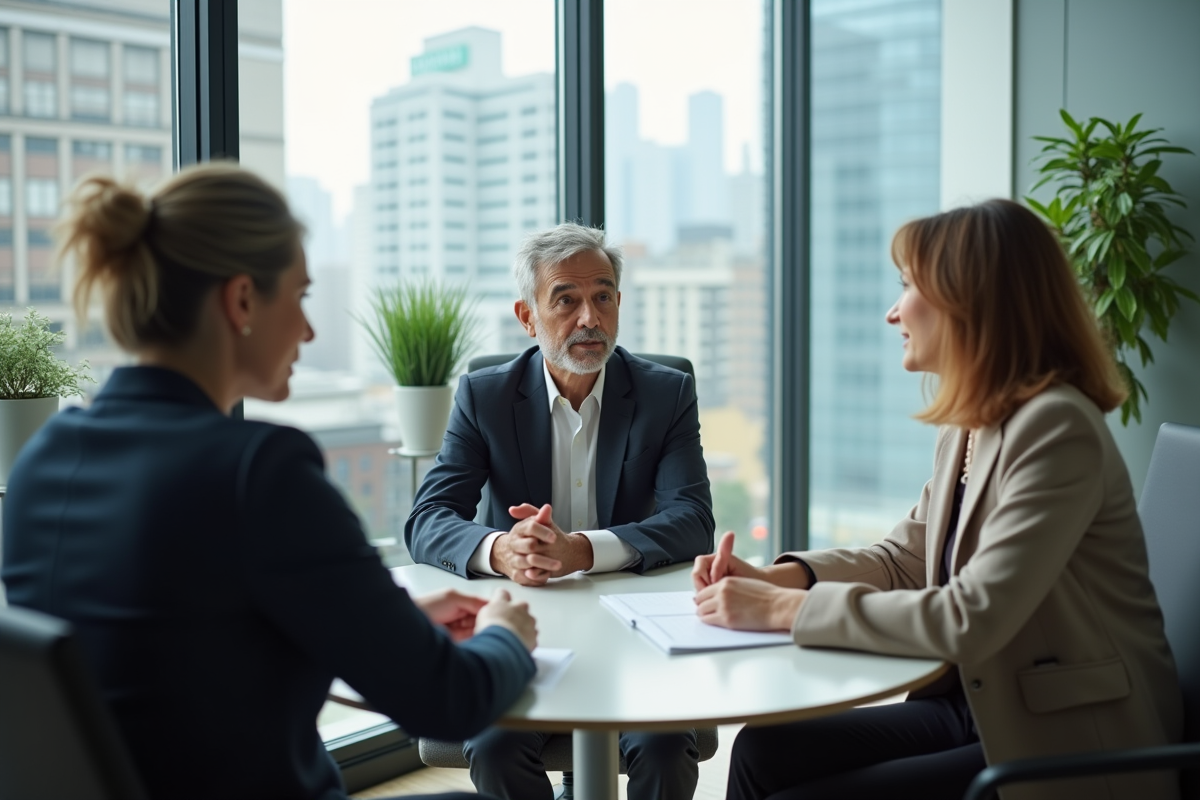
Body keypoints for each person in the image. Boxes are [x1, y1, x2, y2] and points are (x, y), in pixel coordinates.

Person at [0, 163, 540, 800]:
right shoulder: (259, 471)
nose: (309, 330)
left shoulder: (43, 459)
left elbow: (173, 647)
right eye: (301, 296)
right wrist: (508, 634)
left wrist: (384, 618)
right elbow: (450, 702)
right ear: (242, 301)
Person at [693, 199, 1183, 800]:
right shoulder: (971, 426)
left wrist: (780, 613)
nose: (893, 312)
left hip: (1069, 741)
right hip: (982, 705)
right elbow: (905, 558)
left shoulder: (1057, 427)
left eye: (908, 287)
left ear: (967, 301)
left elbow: (972, 616)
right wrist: (784, 579)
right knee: (764, 750)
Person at [405, 222, 714, 800]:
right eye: (565, 300)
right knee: (496, 748)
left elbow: (693, 519)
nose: (589, 319)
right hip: (525, 628)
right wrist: (500, 548)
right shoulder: (485, 394)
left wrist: (582, 549)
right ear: (527, 316)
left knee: (667, 748)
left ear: (619, 303)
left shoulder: (665, 393)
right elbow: (428, 518)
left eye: (602, 297)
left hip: (636, 628)